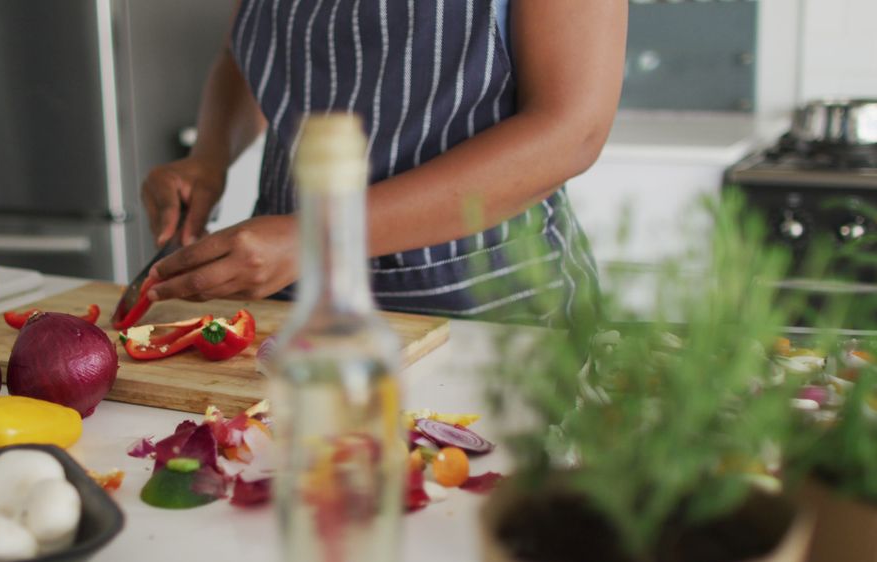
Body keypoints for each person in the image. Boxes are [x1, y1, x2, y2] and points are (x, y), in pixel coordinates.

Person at [141, 0, 627, 324]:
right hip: (295, 311)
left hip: (489, 313)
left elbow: (571, 131)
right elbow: (242, 53)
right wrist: (209, 154)